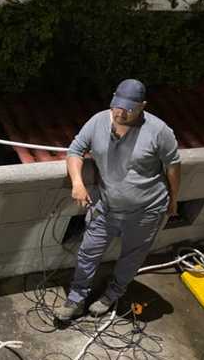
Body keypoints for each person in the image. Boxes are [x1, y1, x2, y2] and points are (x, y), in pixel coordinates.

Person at [56, 79, 181, 321]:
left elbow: (173, 167)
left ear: (143, 106)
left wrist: (174, 199)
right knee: (87, 252)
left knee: (132, 257)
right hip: (106, 207)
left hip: (146, 211)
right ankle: (76, 298)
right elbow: (75, 150)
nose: (121, 113)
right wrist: (77, 183)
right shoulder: (98, 121)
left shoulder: (159, 131)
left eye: (129, 109)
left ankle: (111, 294)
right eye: (117, 106)